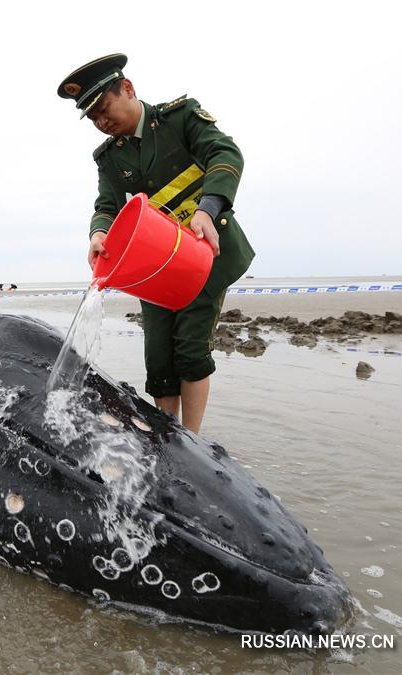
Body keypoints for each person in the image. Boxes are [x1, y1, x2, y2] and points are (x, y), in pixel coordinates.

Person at [57, 54, 254, 433]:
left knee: (191, 351)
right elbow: (107, 206)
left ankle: (194, 444)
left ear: (127, 88)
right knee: (159, 359)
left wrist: (207, 209)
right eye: (93, 117)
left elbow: (225, 154)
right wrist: (98, 233)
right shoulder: (110, 158)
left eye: (104, 107)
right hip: (155, 265)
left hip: (203, 252)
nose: (101, 121)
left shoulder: (179, 118)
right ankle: (169, 438)